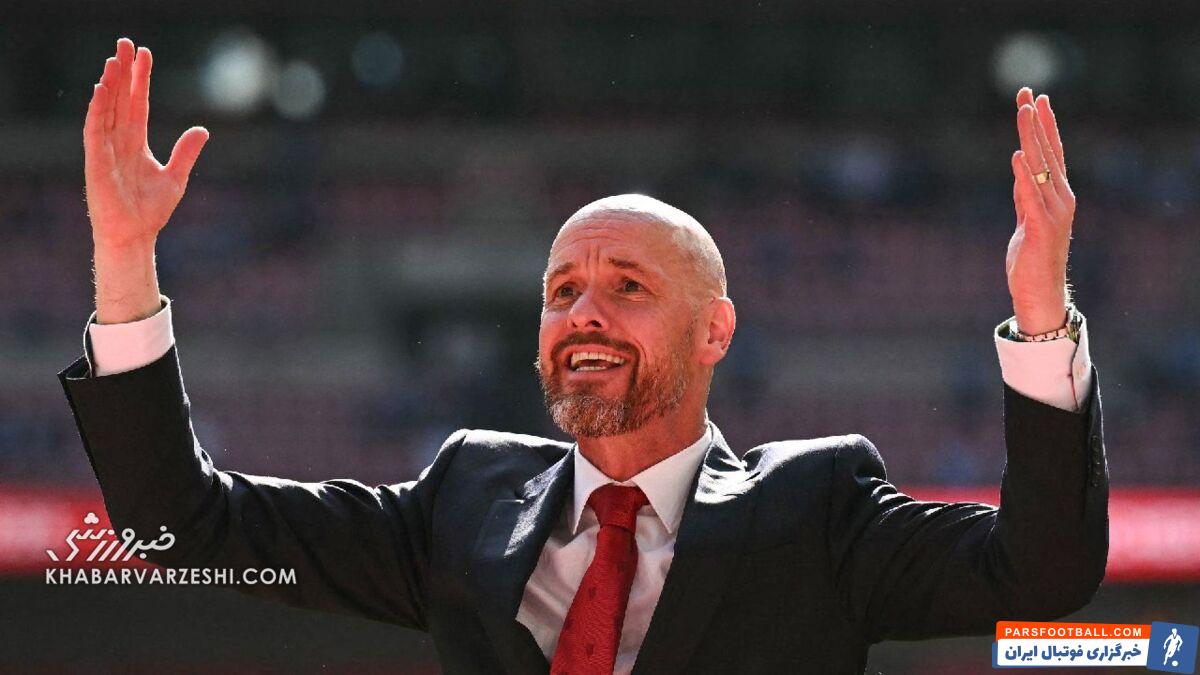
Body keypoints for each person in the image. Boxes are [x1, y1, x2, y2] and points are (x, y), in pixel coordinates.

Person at [59, 38, 1108, 674]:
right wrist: (123, 259)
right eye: (562, 291)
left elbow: (1044, 574)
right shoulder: (464, 497)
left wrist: (1039, 314)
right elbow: (175, 526)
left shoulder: (818, 507)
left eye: (628, 287)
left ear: (715, 331)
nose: (584, 314)